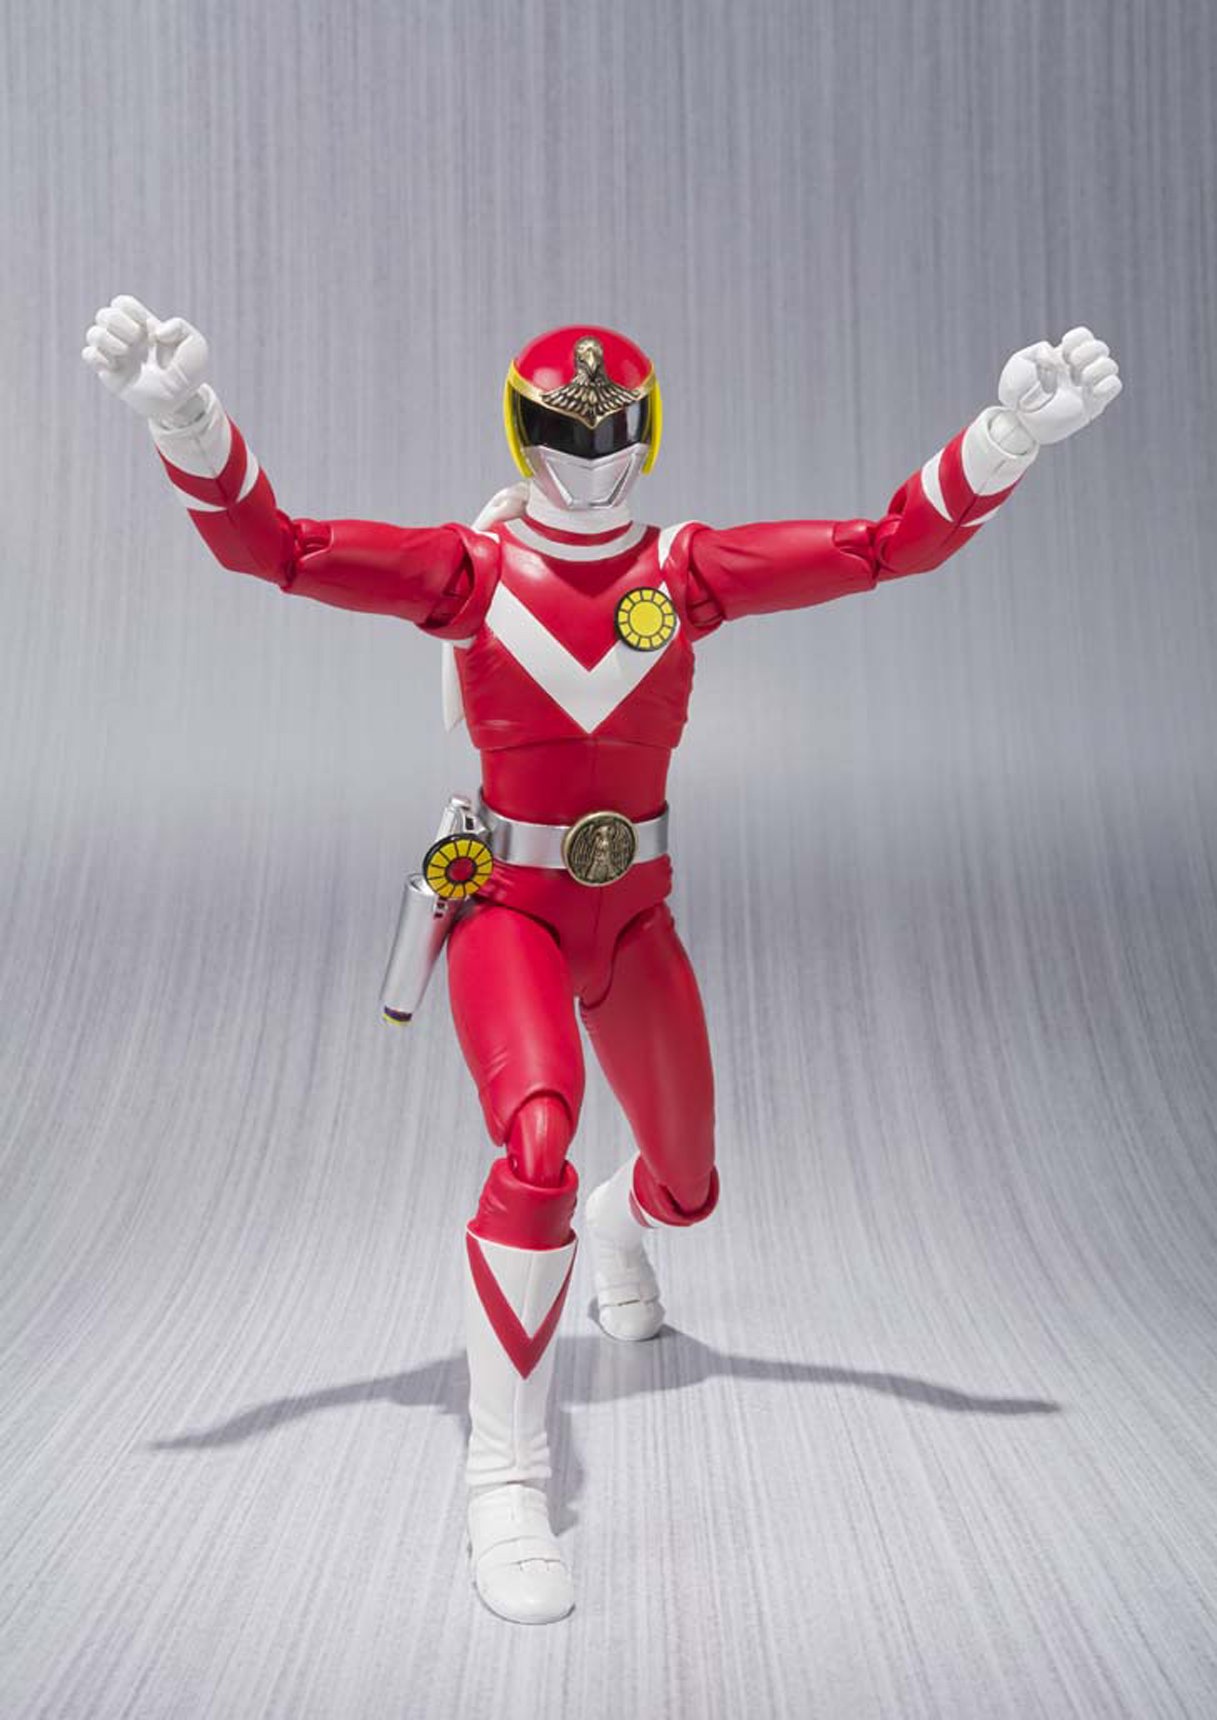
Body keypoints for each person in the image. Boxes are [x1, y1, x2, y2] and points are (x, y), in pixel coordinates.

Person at [82, 300, 1121, 1623]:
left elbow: (882, 546)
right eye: (564, 431)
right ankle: (506, 1480)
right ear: (522, 432)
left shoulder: (682, 574)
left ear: (649, 431)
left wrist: (1006, 436)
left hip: (634, 916)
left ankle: (627, 1233)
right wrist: (188, 422)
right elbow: (275, 550)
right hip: (510, 910)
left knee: (687, 1185)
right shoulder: (469, 572)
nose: (589, 455)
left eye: (611, 428)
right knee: (537, 1150)